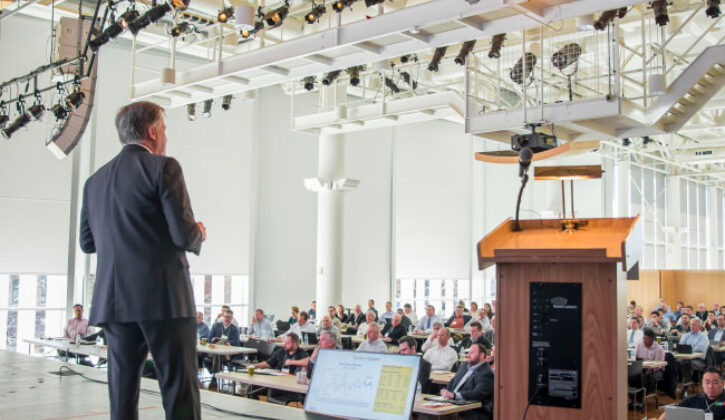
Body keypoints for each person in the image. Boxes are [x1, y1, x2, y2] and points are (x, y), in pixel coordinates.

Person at [80, 102, 205, 420]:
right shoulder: (164, 168)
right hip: (164, 298)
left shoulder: (94, 182)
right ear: (152, 131)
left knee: (121, 395)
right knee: (179, 390)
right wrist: (199, 233)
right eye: (164, 129)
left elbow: (87, 242)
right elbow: (182, 235)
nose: (165, 137)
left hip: (114, 300)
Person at [440, 344, 494, 420]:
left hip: (472, 411)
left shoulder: (486, 373)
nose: (468, 355)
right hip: (452, 404)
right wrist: (446, 392)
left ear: (481, 355)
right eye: (469, 353)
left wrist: (454, 395)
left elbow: (478, 393)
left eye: (472, 353)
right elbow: (453, 381)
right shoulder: (464, 366)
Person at [655, 368, 725, 420]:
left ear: (723, 383)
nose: (710, 386)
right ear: (702, 384)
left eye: (715, 382)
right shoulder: (693, 399)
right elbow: (672, 411)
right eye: (707, 382)